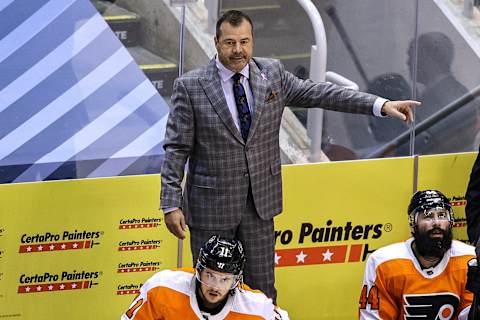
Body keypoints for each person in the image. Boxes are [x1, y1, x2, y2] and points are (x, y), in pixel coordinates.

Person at [160, 9, 420, 302]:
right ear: (217, 42)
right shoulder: (190, 86)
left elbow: (323, 94)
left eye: (244, 42)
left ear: (253, 41)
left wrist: (380, 104)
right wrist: (171, 202)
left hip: (260, 206)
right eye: (230, 43)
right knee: (209, 293)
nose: (238, 50)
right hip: (210, 208)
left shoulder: (272, 74)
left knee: (262, 293)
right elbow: (176, 148)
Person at [358, 189, 479, 319]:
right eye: (428, 216)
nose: (437, 222)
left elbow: (468, 315)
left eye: (442, 215)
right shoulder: (382, 263)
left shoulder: (469, 259)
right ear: (413, 223)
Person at [121, 235, 289, 320]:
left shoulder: (257, 308)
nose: (216, 286)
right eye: (210, 275)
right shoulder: (163, 287)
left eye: (224, 279)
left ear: (236, 280)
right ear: (199, 270)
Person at [406, 32, 478, 155]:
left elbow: (456, 139)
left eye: (412, 56)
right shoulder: (452, 90)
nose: (408, 63)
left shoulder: (449, 96)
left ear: (428, 59)